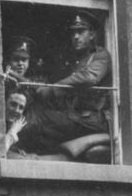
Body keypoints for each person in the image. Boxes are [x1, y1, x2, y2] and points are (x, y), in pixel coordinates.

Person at [16, 10, 112, 156]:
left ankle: (14, 147)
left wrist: (52, 90)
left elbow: (89, 77)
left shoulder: (100, 55)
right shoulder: (76, 61)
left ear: (92, 34)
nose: (76, 36)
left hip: (92, 120)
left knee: (40, 117)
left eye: (81, 32)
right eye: (73, 33)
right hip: (76, 118)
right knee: (37, 110)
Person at [0, 91, 27, 156]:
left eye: (21, 108)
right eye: (13, 104)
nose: (16, 110)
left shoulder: (21, 128)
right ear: (4, 103)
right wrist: (13, 131)